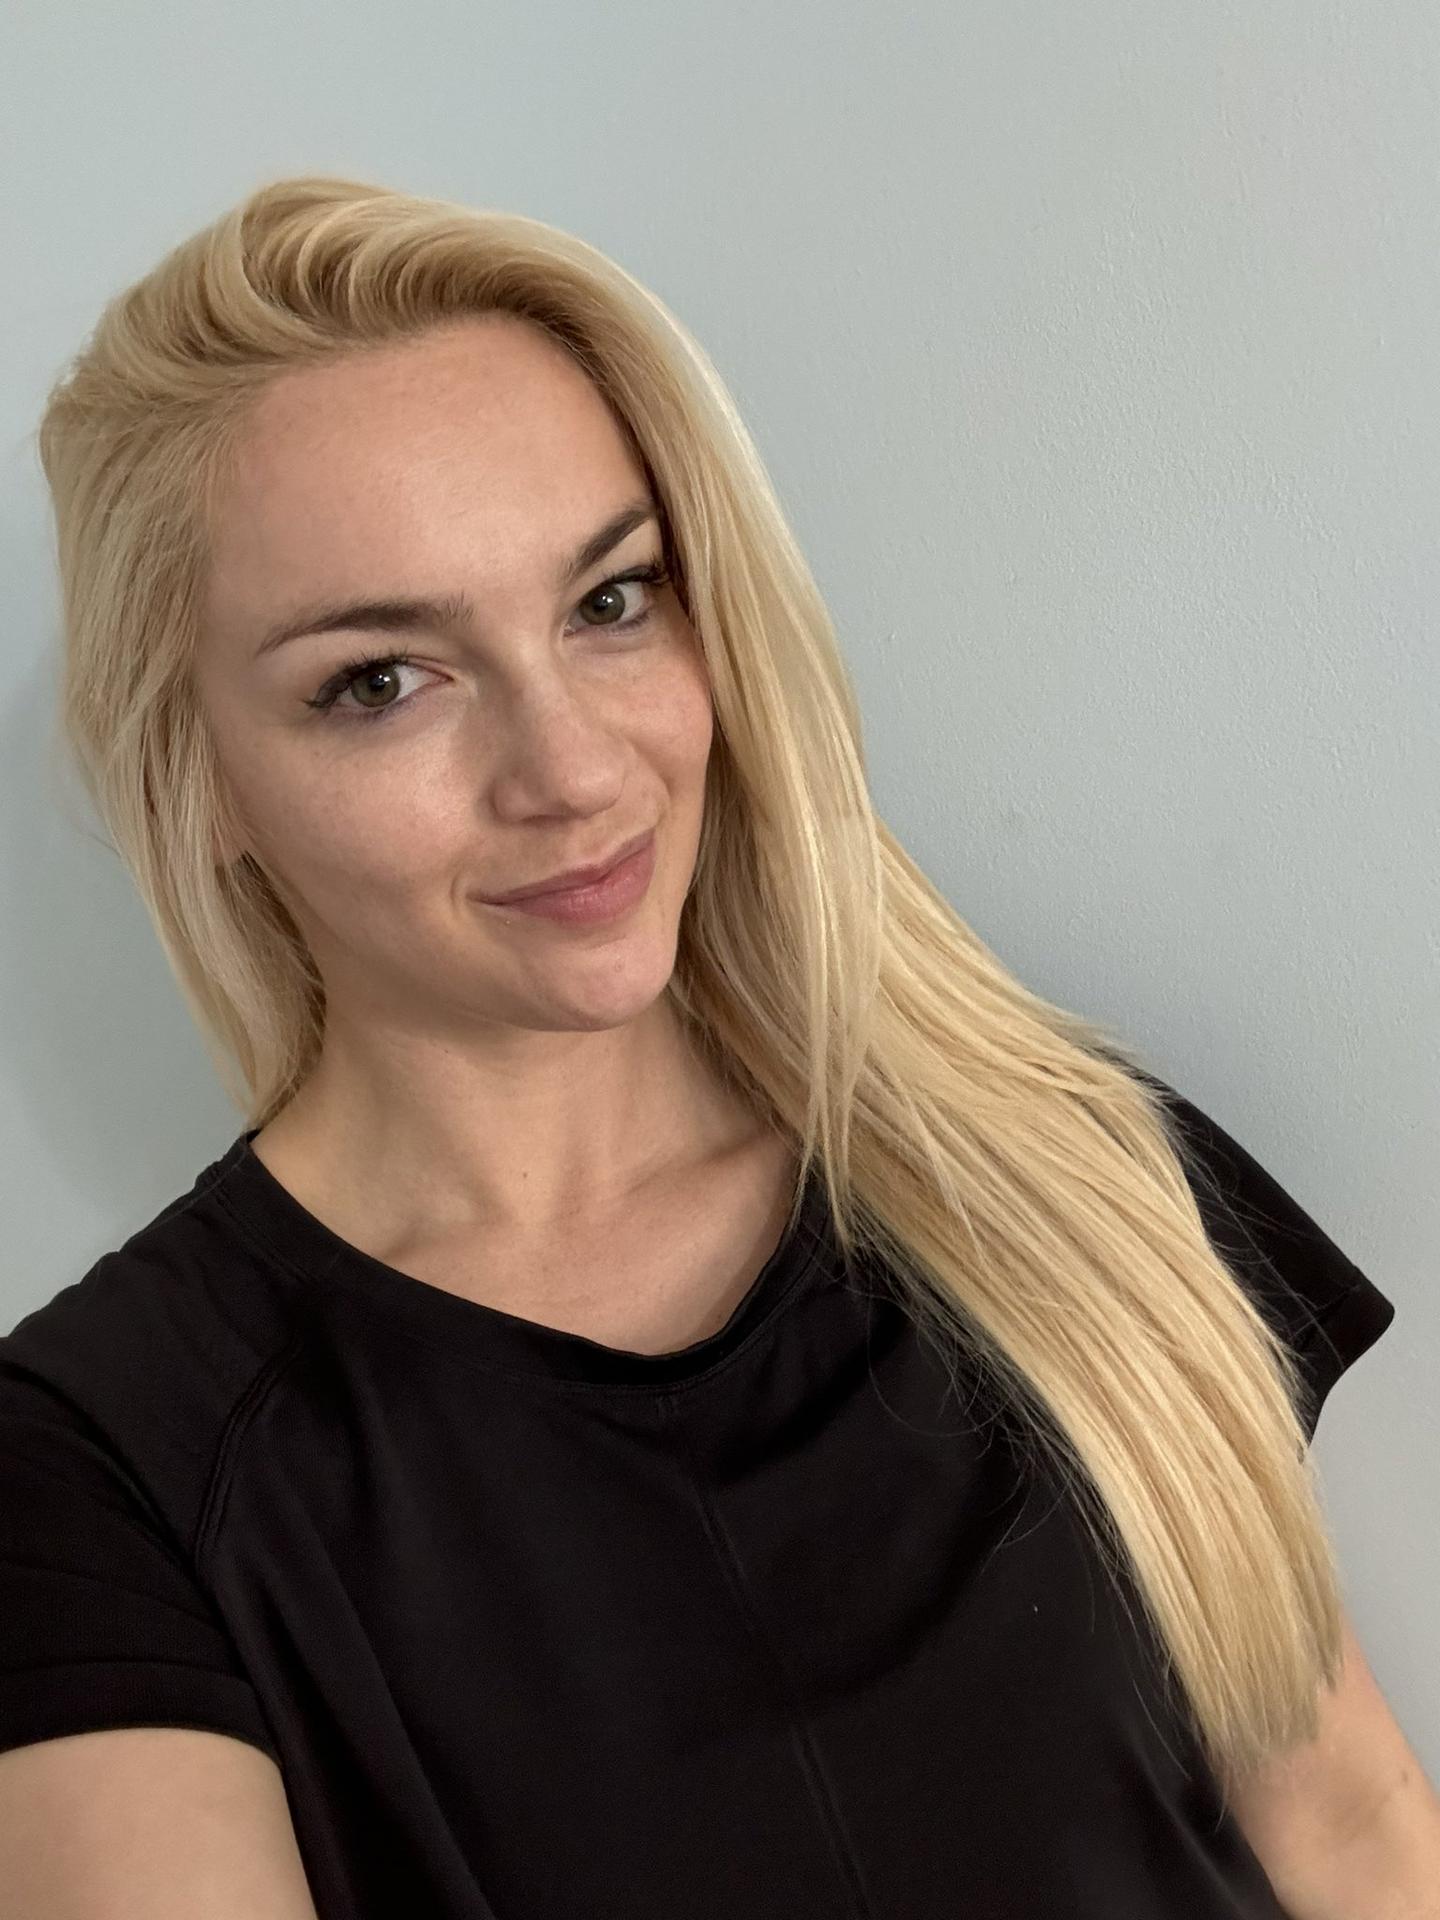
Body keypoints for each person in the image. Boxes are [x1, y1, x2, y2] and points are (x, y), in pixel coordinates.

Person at [0, 174, 1426, 1918]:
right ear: (196, 775)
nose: (574, 770)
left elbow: (1353, 1833)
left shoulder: (1067, 1172)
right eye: (380, 680)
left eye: (612, 601)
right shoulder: (97, 1469)